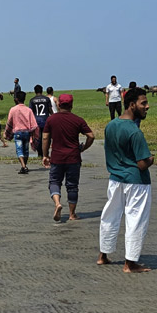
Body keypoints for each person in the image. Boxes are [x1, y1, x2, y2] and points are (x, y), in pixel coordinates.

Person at [98, 86, 154, 273]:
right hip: (136, 182)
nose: (147, 106)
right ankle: (130, 263)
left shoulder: (111, 125)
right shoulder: (135, 132)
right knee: (135, 220)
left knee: (110, 217)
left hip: (115, 179)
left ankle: (103, 254)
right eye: (143, 103)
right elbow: (142, 164)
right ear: (132, 105)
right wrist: (151, 159)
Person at [41, 93, 94, 222]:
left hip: (57, 157)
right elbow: (91, 136)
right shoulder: (78, 120)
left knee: (54, 182)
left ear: (59, 104)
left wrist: (45, 155)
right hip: (73, 158)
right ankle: (72, 214)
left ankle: (57, 203)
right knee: (72, 186)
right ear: (71, 105)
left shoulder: (51, 120)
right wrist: (83, 148)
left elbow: (45, 137)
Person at [6, 91, 35, 174]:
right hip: (26, 132)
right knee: (26, 150)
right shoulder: (29, 110)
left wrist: (7, 133)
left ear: (16, 99)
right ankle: (24, 166)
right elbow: (33, 124)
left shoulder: (13, 109)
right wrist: (33, 134)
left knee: (19, 150)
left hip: (17, 133)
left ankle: (23, 166)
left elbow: (9, 122)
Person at [28, 84, 53, 158]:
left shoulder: (32, 100)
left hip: (36, 121)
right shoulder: (46, 99)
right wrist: (54, 116)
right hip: (46, 120)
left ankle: (40, 153)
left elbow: (31, 112)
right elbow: (50, 110)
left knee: (38, 137)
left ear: (35, 91)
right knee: (47, 137)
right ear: (42, 91)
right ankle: (46, 152)